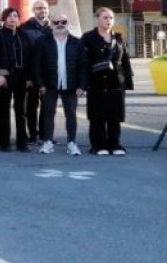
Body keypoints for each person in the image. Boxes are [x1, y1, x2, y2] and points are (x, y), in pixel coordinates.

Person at [81, 8, 134, 156]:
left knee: (114, 115)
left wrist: (127, 80)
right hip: (96, 82)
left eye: (111, 18)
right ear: (97, 19)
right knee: (97, 116)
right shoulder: (88, 38)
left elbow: (125, 61)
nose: (108, 20)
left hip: (115, 82)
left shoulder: (118, 38)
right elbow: (84, 62)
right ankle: (98, 145)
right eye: (105, 17)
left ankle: (114, 144)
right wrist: (83, 83)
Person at [33, 12, 86, 156]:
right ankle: (47, 142)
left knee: (71, 114)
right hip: (49, 85)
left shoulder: (77, 42)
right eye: (56, 22)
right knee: (48, 114)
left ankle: (72, 143)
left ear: (68, 23)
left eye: (63, 21)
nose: (60, 25)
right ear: (51, 24)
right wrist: (40, 84)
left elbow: (83, 66)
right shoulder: (42, 42)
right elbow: (36, 65)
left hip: (71, 85)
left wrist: (81, 86)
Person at [0, 7, 33, 153]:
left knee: (20, 110)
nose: (12, 18)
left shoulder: (23, 35)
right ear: (4, 18)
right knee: (3, 110)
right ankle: (4, 142)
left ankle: (22, 142)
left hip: (21, 76)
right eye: (9, 16)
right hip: (5, 76)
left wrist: (29, 77)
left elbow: (29, 57)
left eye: (15, 16)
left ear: (19, 18)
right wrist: (1, 74)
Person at [20, 0, 51, 149]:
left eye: (44, 8)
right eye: (39, 8)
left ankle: (45, 135)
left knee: (47, 106)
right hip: (32, 76)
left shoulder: (55, 27)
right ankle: (33, 134)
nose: (42, 11)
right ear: (33, 10)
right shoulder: (24, 28)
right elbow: (24, 55)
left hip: (49, 76)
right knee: (31, 107)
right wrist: (27, 77)